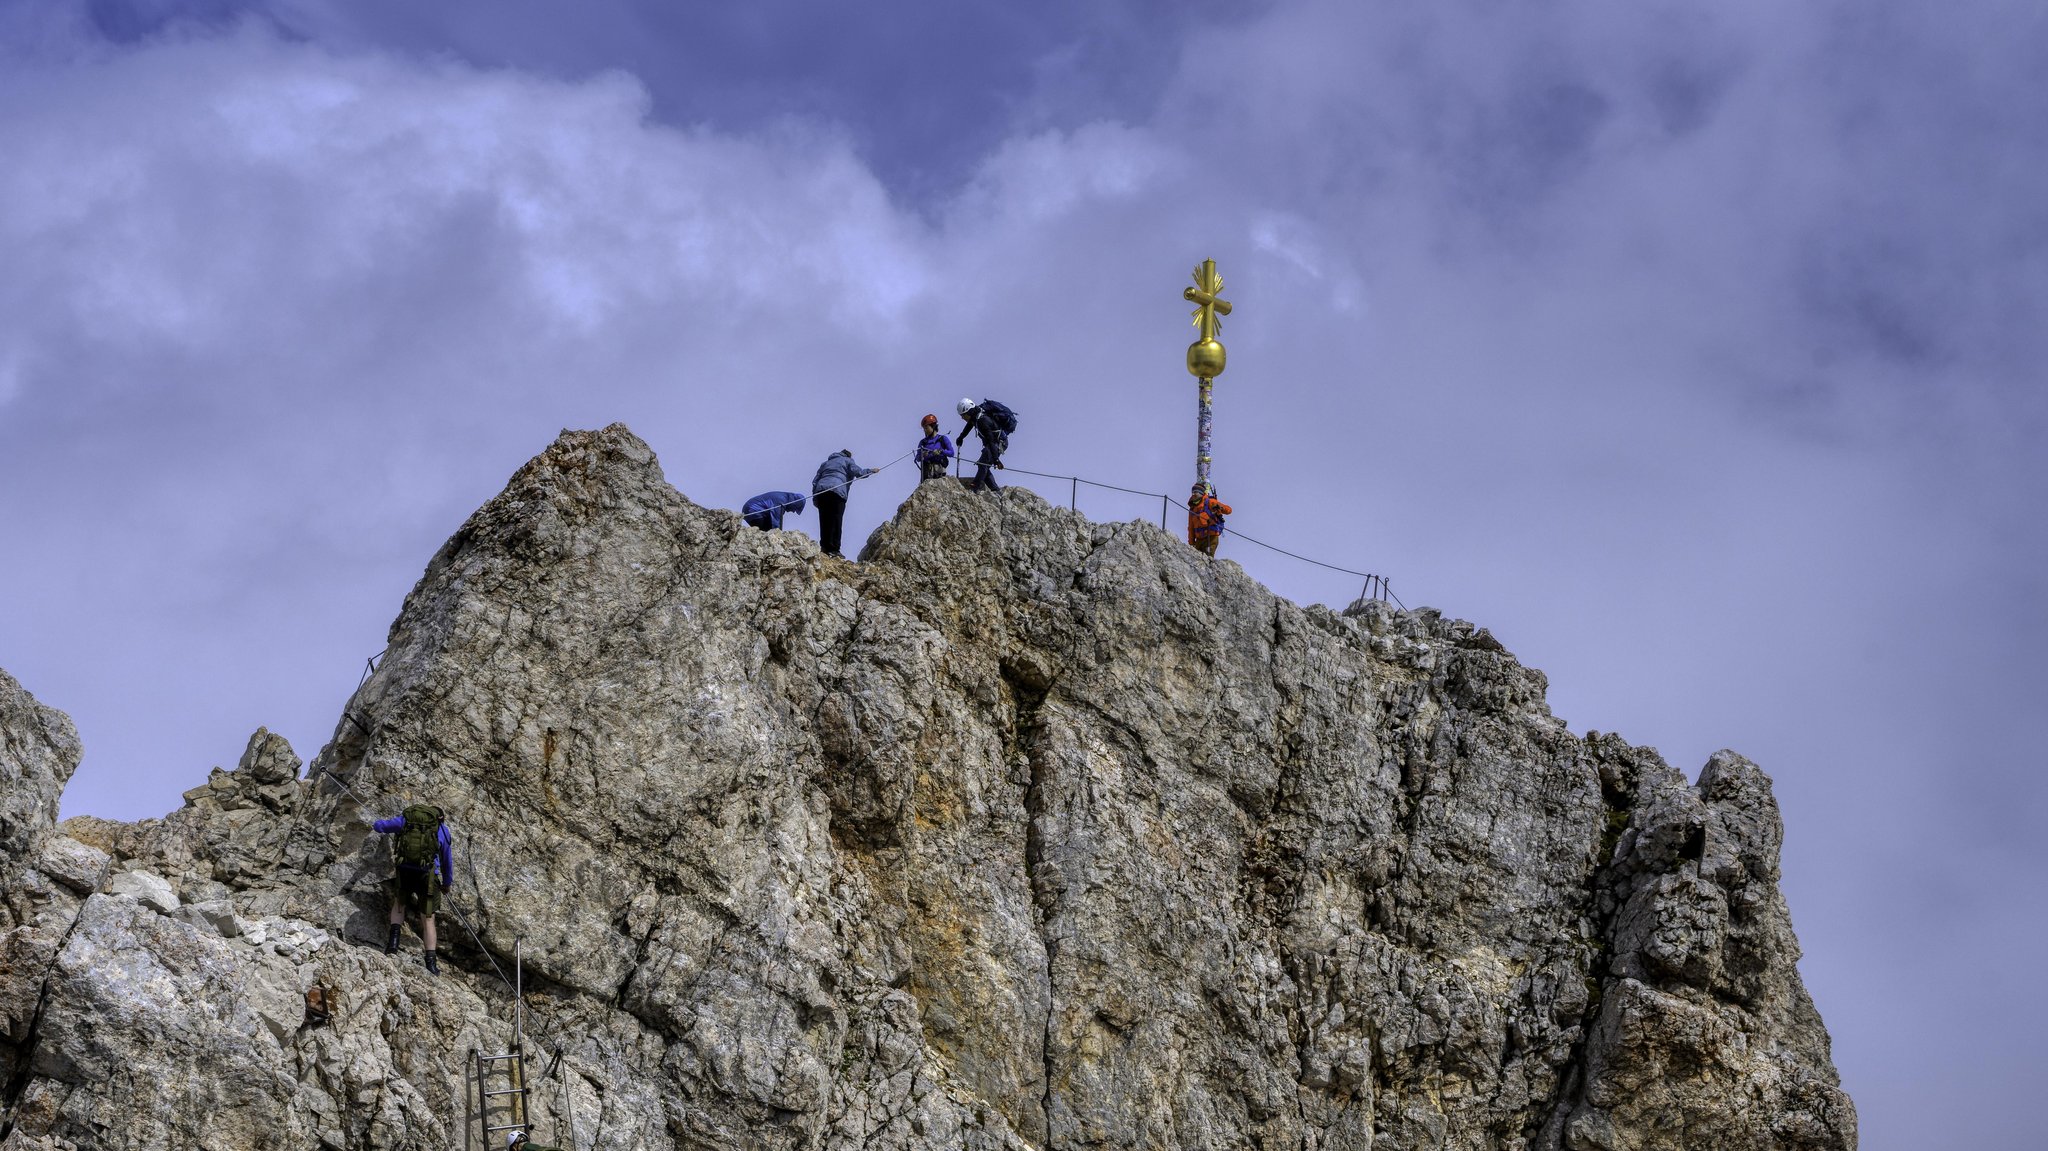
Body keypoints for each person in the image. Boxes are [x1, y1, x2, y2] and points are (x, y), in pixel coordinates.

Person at [375, 803, 452, 975]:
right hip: (428, 877)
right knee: (428, 919)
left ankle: (392, 946)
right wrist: (446, 883)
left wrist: (377, 822)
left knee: (399, 905)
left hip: (405, 869)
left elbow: (380, 827)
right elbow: (447, 861)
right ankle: (431, 964)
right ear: (440, 818)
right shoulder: (442, 830)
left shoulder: (407, 821)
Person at [811, 449, 875, 558]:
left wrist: (815, 497)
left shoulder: (825, 463)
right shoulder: (847, 461)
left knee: (824, 520)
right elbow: (859, 473)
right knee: (836, 520)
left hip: (821, 492)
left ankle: (825, 547)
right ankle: (834, 549)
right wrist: (871, 471)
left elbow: (815, 481)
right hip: (837, 492)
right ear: (848, 456)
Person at [955, 397, 1017, 493]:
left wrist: (996, 459)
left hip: (998, 443)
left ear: (968, 412)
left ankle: (975, 487)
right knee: (983, 466)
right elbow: (969, 425)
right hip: (993, 443)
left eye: (963, 415)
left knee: (983, 463)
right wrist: (961, 437)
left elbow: (991, 440)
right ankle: (995, 490)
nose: (962, 418)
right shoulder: (976, 416)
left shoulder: (982, 421)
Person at [1187, 483, 1232, 557]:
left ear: (1201, 493)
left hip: (1211, 537)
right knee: (1196, 559)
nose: (1193, 494)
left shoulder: (1210, 502)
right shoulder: (1192, 509)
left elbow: (1229, 510)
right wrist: (1191, 543)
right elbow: (1191, 527)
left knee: (1208, 558)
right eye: (1193, 492)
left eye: (1196, 492)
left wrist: (1220, 507)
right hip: (1199, 540)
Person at [914, 414, 954, 483]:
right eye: (924, 429)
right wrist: (923, 455)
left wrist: (941, 451)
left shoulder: (943, 439)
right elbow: (917, 458)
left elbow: (951, 453)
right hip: (926, 473)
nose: (925, 430)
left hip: (939, 471)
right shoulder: (923, 442)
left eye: (926, 428)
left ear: (933, 426)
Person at [742, 491, 806, 531]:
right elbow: (776, 521)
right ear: (794, 503)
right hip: (753, 510)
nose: (793, 511)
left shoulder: (784, 498)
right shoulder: (781, 501)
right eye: (795, 509)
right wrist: (779, 537)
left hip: (752, 510)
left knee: (767, 531)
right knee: (767, 532)